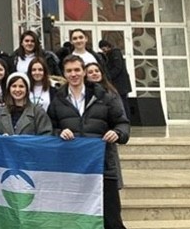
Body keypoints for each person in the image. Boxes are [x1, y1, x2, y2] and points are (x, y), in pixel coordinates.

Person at [47, 56, 130, 229]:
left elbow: (122, 123)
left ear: (84, 71)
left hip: (102, 168)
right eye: (69, 71)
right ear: (64, 74)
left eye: (77, 70)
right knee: (76, 219)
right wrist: (59, 132)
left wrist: (117, 133)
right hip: (73, 169)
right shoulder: (57, 100)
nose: (74, 74)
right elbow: (49, 129)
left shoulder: (105, 96)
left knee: (111, 220)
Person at [98, 40, 132, 119]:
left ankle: (126, 119)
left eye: (103, 48)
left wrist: (108, 77)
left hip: (120, 84)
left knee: (123, 102)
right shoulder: (109, 55)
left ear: (107, 46)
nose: (103, 50)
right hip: (117, 83)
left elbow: (117, 67)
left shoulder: (115, 53)